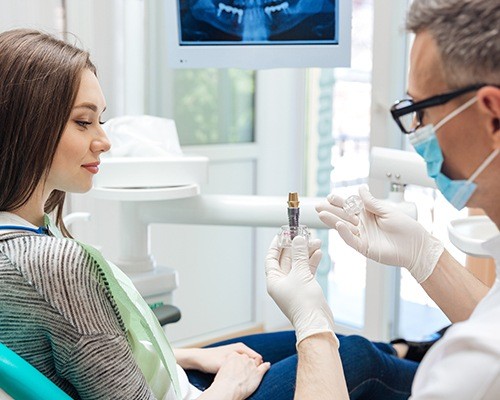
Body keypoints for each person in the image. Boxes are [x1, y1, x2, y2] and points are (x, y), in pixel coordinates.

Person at [0, 27, 441, 400]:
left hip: (169, 377)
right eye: (83, 122)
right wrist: (225, 388)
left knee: (333, 343)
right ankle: (456, 371)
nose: (104, 140)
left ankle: (416, 349)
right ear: (28, 123)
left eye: (101, 120)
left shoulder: (19, 241)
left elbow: (95, 358)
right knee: (355, 357)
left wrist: (192, 355)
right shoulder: (53, 264)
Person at [267, 0, 500, 399]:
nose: (417, 131)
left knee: (358, 356)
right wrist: (424, 256)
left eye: (421, 110)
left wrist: (313, 328)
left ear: (492, 114)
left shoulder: (475, 368)